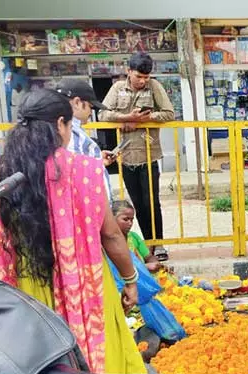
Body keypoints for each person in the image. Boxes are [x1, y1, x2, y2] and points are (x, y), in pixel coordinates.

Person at [0, 89, 147, 374]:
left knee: (36, 365)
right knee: (100, 362)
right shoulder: (83, 170)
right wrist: (130, 280)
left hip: (22, 286)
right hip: (84, 283)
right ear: (60, 125)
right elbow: (112, 235)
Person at [99, 51, 175, 262]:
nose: (142, 81)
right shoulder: (117, 89)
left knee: (152, 202)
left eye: (146, 77)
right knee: (138, 204)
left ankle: (158, 244)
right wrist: (125, 117)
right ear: (128, 72)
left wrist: (144, 120)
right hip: (126, 155)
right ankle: (147, 247)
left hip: (149, 154)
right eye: (138, 76)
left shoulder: (154, 87)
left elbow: (169, 113)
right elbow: (103, 114)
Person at [55, 78, 114, 201]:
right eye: (90, 107)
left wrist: (96, 160)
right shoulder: (72, 134)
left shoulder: (58, 130)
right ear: (77, 103)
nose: (90, 113)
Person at [112, 199, 164, 273]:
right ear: (112, 218)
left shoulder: (134, 237)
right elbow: (116, 268)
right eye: (125, 219)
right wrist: (144, 267)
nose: (130, 223)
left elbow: (148, 257)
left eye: (131, 220)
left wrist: (155, 263)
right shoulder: (109, 242)